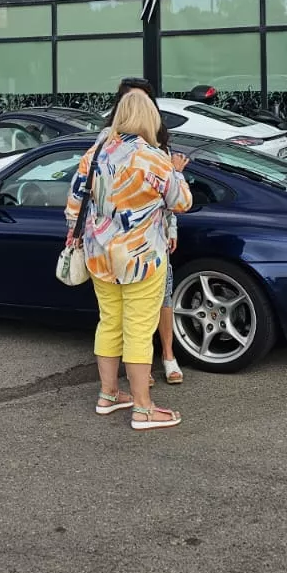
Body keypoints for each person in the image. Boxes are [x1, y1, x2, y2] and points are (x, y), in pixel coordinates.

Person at [66, 90, 192, 430]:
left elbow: (74, 203)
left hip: (99, 255)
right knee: (138, 328)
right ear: (149, 116)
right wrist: (178, 174)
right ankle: (144, 408)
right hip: (141, 256)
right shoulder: (152, 157)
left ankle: (109, 394)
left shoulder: (95, 153)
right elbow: (181, 202)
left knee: (109, 323)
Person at [107, 77, 178, 382]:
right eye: (133, 101)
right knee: (127, 312)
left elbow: (172, 199)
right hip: (121, 238)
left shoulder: (158, 142)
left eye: (145, 101)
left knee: (161, 299)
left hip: (154, 233)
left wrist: (172, 228)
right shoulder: (106, 144)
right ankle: (140, 379)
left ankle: (167, 355)